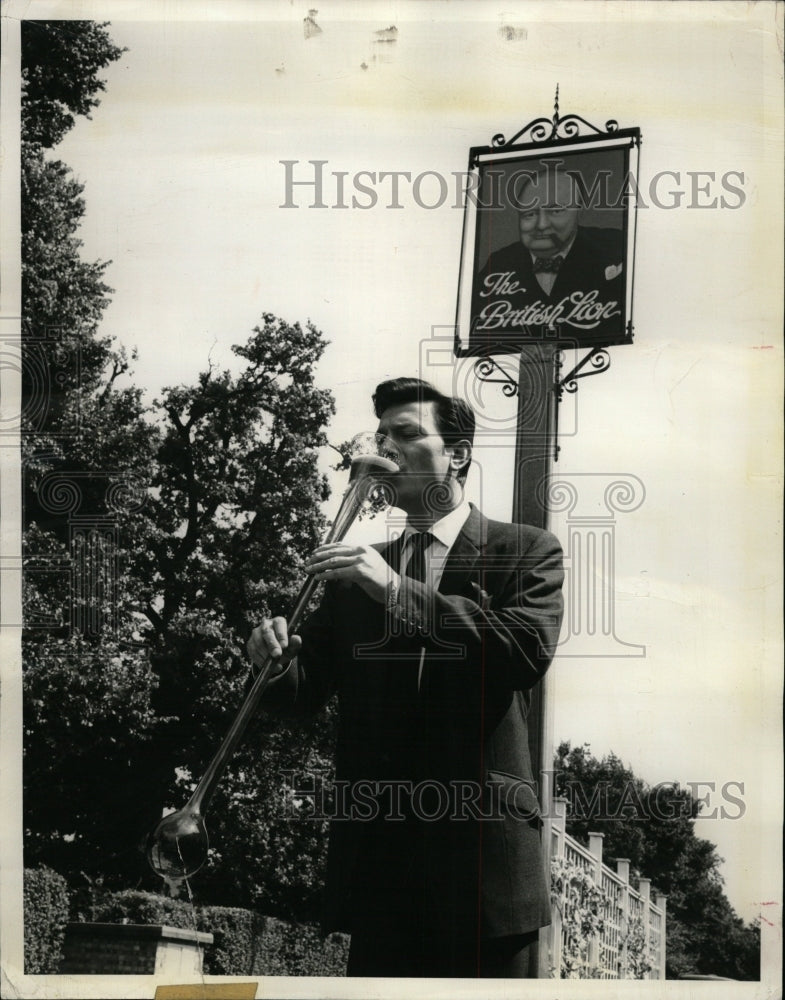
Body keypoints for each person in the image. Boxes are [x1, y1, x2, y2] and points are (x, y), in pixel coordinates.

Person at [247, 377, 564, 978]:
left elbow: (522, 651)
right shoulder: (357, 571)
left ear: (458, 454)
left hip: (485, 876)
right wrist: (275, 662)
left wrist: (395, 590)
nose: (385, 448)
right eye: (380, 435)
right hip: (380, 873)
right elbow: (303, 695)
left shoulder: (525, 549)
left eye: (407, 434)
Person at [471, 165, 626, 343]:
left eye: (556, 211)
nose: (542, 225)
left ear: (578, 211)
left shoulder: (615, 248)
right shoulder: (499, 265)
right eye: (529, 214)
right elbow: (481, 338)